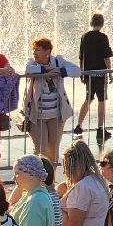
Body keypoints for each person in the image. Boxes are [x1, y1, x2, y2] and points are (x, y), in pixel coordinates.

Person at [21, 36, 75, 164]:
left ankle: (49, 182)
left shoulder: (57, 61)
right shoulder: (32, 63)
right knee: (41, 151)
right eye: (33, 50)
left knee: (53, 151)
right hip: (37, 116)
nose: (34, 53)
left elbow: (77, 70)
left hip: (56, 115)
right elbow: (27, 70)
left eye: (37, 50)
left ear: (47, 51)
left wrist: (59, 70)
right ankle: (40, 180)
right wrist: (46, 70)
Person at [75, 14, 113, 139]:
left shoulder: (84, 36)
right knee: (101, 100)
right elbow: (106, 56)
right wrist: (110, 71)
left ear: (91, 23)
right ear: (102, 24)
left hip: (88, 74)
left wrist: (82, 72)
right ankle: (100, 128)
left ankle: (79, 125)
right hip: (101, 73)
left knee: (88, 98)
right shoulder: (103, 37)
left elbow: (81, 56)